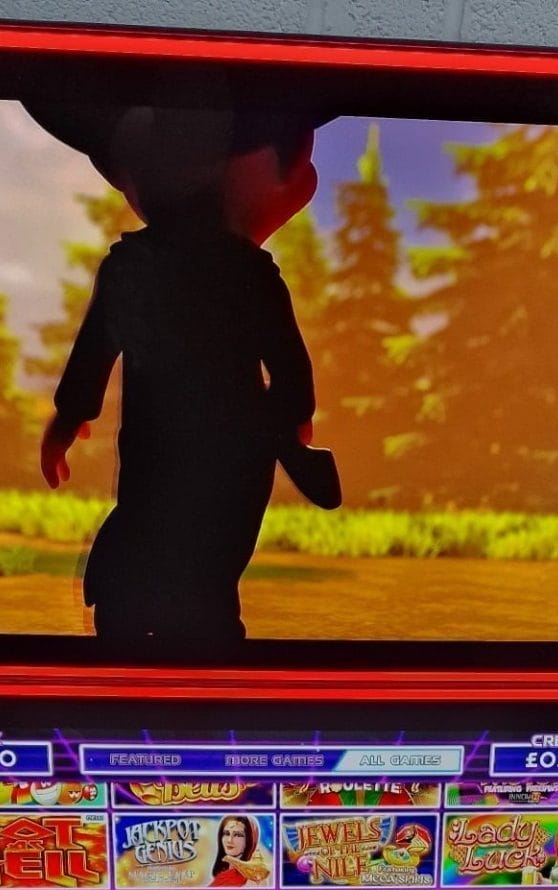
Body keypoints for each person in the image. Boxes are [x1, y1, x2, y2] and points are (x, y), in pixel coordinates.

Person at [27, 94, 341, 646]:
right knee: (209, 561)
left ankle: (140, 627)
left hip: (161, 447)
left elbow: (95, 350)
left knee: (151, 529)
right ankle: (198, 636)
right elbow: (290, 364)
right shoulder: (250, 274)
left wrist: (69, 416)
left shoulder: (132, 267)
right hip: (231, 454)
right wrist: (293, 420)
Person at [210, 814, 269, 886]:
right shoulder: (222, 875)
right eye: (226, 833)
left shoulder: (255, 877)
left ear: (250, 840)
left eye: (237, 835)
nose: (229, 840)